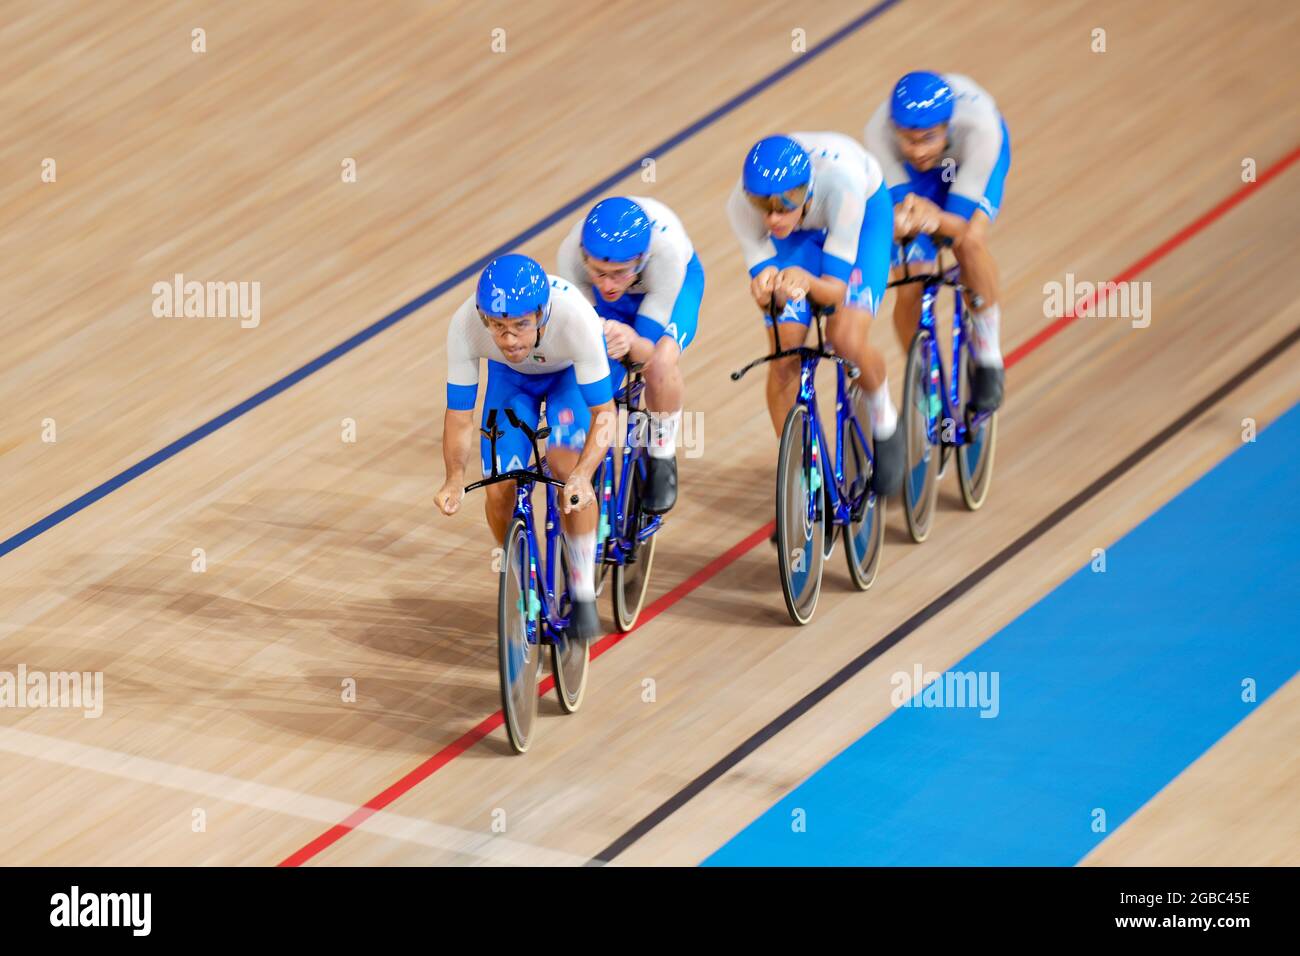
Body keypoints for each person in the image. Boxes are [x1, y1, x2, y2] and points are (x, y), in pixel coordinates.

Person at [434, 254, 616, 640]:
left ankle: (582, 586)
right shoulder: (465, 324)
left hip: (567, 379)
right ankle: (519, 578)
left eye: (520, 325)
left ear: (542, 314)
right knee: (500, 486)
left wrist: (584, 476)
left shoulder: (575, 318)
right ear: (484, 317)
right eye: (497, 327)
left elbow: (604, 413)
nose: (509, 339)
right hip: (512, 383)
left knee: (566, 466)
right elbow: (460, 415)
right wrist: (453, 479)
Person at [726, 132, 903, 499]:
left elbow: (834, 293)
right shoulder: (741, 208)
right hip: (796, 241)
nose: (772, 216)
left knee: (846, 338)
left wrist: (805, 280)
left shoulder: (843, 187)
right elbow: (771, 300)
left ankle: (884, 417)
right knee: (783, 356)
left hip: (862, 216)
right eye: (764, 206)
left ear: (806, 191)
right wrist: (766, 294)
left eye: (783, 204)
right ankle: (799, 475)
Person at [864, 70, 1011, 411]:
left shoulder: (980, 130)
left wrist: (938, 218)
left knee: (968, 241)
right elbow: (906, 209)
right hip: (920, 182)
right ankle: (922, 372)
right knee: (910, 279)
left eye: (928, 138)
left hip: (970, 164)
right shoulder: (877, 131)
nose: (917, 150)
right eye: (909, 139)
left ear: (947, 126)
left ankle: (988, 352)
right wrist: (905, 218)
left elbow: (957, 227)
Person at [556, 196, 704, 514]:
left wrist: (630, 340)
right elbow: (583, 339)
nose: (608, 283)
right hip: (611, 307)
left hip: (668, 290)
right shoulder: (570, 253)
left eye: (619, 273)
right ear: (585, 256)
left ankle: (662, 451)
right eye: (599, 272)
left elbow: (645, 352)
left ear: (641, 259)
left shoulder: (666, 253)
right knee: (589, 376)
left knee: (659, 363)